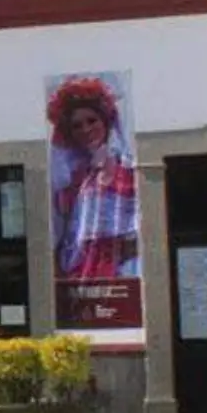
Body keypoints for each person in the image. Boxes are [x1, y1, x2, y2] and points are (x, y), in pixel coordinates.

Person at [47, 75, 140, 281]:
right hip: (78, 276)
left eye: (91, 121)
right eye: (77, 126)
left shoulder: (129, 170)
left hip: (123, 275)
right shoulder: (69, 180)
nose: (86, 129)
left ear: (105, 122)